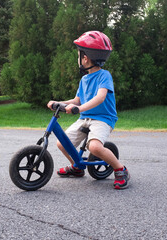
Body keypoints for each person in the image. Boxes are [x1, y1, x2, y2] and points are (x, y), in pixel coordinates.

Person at [47, 31, 130, 189]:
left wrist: (78, 108)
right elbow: (77, 100)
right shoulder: (84, 79)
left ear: (85, 58)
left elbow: (100, 97)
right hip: (85, 118)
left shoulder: (104, 76)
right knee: (62, 143)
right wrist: (59, 103)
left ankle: (121, 169)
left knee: (94, 147)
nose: (78, 58)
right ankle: (77, 167)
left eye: (79, 55)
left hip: (103, 118)